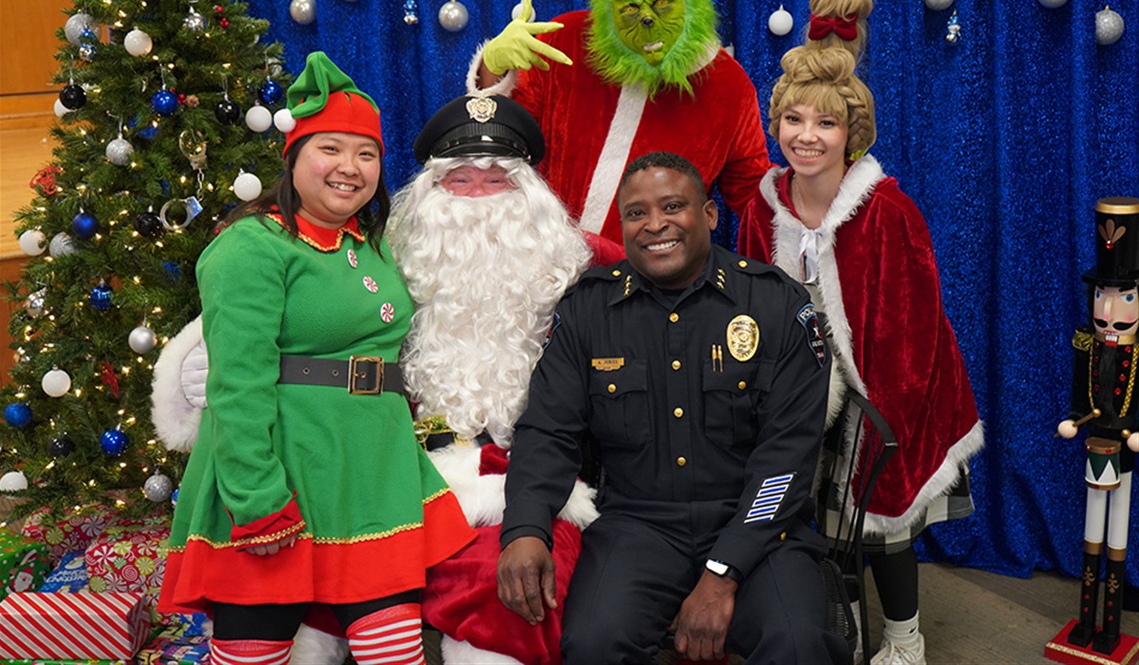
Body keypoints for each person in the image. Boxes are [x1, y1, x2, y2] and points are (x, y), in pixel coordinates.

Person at [156, 52, 475, 665]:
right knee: (258, 646)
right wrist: (255, 495)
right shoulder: (251, 246)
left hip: (371, 471)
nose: (349, 169)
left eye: (366, 154)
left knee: (394, 649)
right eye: (329, 149)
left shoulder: (374, 245)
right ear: (294, 156)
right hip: (286, 465)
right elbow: (237, 384)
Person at [497, 152, 848, 664]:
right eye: (637, 213)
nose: (654, 224)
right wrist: (525, 528)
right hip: (637, 525)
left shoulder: (773, 303)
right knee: (594, 643)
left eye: (672, 206)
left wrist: (723, 572)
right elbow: (548, 430)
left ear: (708, 214)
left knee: (798, 646)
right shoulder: (587, 310)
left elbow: (787, 460)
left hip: (756, 528)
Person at [736, 38, 984, 665]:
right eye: (794, 119)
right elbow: (746, 307)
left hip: (890, 388)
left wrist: (872, 410)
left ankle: (905, 639)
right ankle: (840, 622)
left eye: (826, 121)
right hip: (797, 392)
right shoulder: (756, 211)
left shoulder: (889, 212)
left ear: (853, 132)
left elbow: (916, 329)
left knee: (880, 528)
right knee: (812, 522)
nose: (807, 135)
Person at [392, 94, 597, 664]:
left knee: (507, 582)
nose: (478, 198)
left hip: (538, 479)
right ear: (432, 193)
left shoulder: (578, 265)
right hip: (404, 471)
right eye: (460, 179)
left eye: (496, 180)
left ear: (528, 196)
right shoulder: (390, 266)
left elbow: (675, 279)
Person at [468, 0, 769, 253]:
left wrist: (817, 188)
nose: (646, 19)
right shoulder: (564, 42)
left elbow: (753, 194)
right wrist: (494, 71)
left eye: (663, 2)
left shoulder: (727, 84)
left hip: (654, 287)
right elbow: (496, 144)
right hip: (544, 265)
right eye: (628, 7)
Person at [1054, 198, 1139, 657]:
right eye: (1102, 295)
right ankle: (1086, 620)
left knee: (1119, 534)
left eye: (1124, 297)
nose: (1109, 308)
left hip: (1125, 452)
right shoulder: (1086, 344)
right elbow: (1078, 390)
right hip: (1094, 445)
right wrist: (1072, 418)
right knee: (1092, 530)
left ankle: (1111, 625)